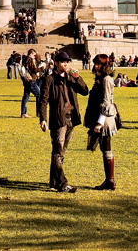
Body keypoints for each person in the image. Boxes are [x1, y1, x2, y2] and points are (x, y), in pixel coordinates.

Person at [39, 51, 88, 193]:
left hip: (72, 119)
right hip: (58, 119)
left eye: (67, 62)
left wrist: (78, 78)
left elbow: (85, 91)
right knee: (58, 151)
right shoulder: (50, 80)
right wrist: (43, 119)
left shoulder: (72, 78)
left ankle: (54, 182)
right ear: (56, 63)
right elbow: (43, 101)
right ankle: (62, 184)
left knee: (61, 152)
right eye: (62, 62)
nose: (65, 64)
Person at [85, 54, 119, 190]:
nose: (96, 66)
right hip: (102, 117)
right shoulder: (100, 78)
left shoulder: (106, 79)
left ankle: (110, 180)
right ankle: (109, 180)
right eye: (95, 63)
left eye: (98, 64)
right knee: (104, 148)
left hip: (105, 119)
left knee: (106, 148)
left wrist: (99, 123)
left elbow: (106, 102)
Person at [20, 49, 41, 118]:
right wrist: (42, 67)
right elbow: (34, 69)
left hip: (26, 81)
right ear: (30, 54)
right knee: (39, 95)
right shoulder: (30, 60)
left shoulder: (25, 60)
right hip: (31, 81)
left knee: (25, 97)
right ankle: (39, 112)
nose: (35, 56)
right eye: (34, 55)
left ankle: (23, 113)